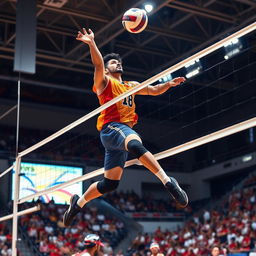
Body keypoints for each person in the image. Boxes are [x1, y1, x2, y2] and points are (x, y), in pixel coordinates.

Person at [63, 28, 188, 227]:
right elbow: (97, 63)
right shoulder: (104, 82)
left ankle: (77, 204)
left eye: (119, 61)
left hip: (119, 136)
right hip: (113, 128)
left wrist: (169, 84)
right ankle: (168, 182)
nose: (117, 63)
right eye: (112, 62)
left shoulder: (131, 85)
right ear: (106, 69)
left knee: (110, 184)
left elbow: (154, 90)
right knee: (136, 144)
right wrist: (92, 43)